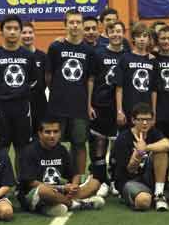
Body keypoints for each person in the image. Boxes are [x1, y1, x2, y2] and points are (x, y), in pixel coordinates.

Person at [17, 118, 104, 216]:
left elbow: (75, 174)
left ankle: (53, 205)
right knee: (43, 190)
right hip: (36, 193)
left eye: (55, 132)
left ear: (60, 133)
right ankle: (76, 204)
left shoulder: (61, 150)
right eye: (48, 132)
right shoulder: (28, 152)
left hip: (58, 193)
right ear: (40, 134)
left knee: (94, 182)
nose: (52, 136)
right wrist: (62, 188)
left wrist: (73, 186)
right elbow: (31, 183)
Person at [0, 15, 37, 178]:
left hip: (22, 108)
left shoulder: (28, 56)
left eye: (16, 29)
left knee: (23, 149)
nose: (12, 32)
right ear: (2, 31)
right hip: (1, 108)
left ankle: (22, 183)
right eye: (8, 28)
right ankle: (1, 182)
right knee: (1, 148)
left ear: (20, 32)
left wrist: (20, 93)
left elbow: (32, 81)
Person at [46, 10, 95, 177]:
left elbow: (89, 80)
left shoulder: (88, 51)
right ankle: (55, 177)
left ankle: (79, 179)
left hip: (79, 106)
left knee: (79, 144)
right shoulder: (55, 47)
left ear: (81, 25)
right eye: (71, 22)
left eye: (78, 22)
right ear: (65, 25)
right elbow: (49, 76)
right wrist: (56, 94)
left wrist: (88, 105)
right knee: (54, 144)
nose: (75, 25)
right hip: (58, 106)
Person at [87, 21, 127, 196]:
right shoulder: (98, 53)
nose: (116, 34)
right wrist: (88, 104)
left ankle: (115, 179)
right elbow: (90, 80)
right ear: (107, 33)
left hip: (121, 108)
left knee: (118, 144)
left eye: (119, 31)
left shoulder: (128, 55)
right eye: (112, 31)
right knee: (99, 143)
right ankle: (100, 179)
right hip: (100, 104)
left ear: (123, 33)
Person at [111, 103, 169, 211]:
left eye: (148, 119)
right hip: (130, 180)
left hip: (149, 178)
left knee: (161, 151)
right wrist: (137, 155)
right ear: (133, 120)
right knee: (143, 202)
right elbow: (130, 170)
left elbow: (167, 145)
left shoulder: (154, 133)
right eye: (140, 119)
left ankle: (159, 194)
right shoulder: (123, 139)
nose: (145, 123)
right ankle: (134, 196)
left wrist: (146, 148)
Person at [115, 22, 158, 126]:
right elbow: (119, 88)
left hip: (146, 111)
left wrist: (154, 112)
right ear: (133, 39)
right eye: (138, 36)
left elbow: (154, 90)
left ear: (149, 39)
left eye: (144, 36)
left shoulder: (153, 61)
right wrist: (119, 111)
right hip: (129, 108)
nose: (142, 39)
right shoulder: (125, 58)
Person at [21, 22, 48, 132]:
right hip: (21, 102)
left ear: (34, 34)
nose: (27, 35)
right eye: (24, 33)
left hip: (39, 103)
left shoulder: (43, 56)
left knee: (40, 136)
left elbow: (47, 80)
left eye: (30, 32)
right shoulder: (15, 55)